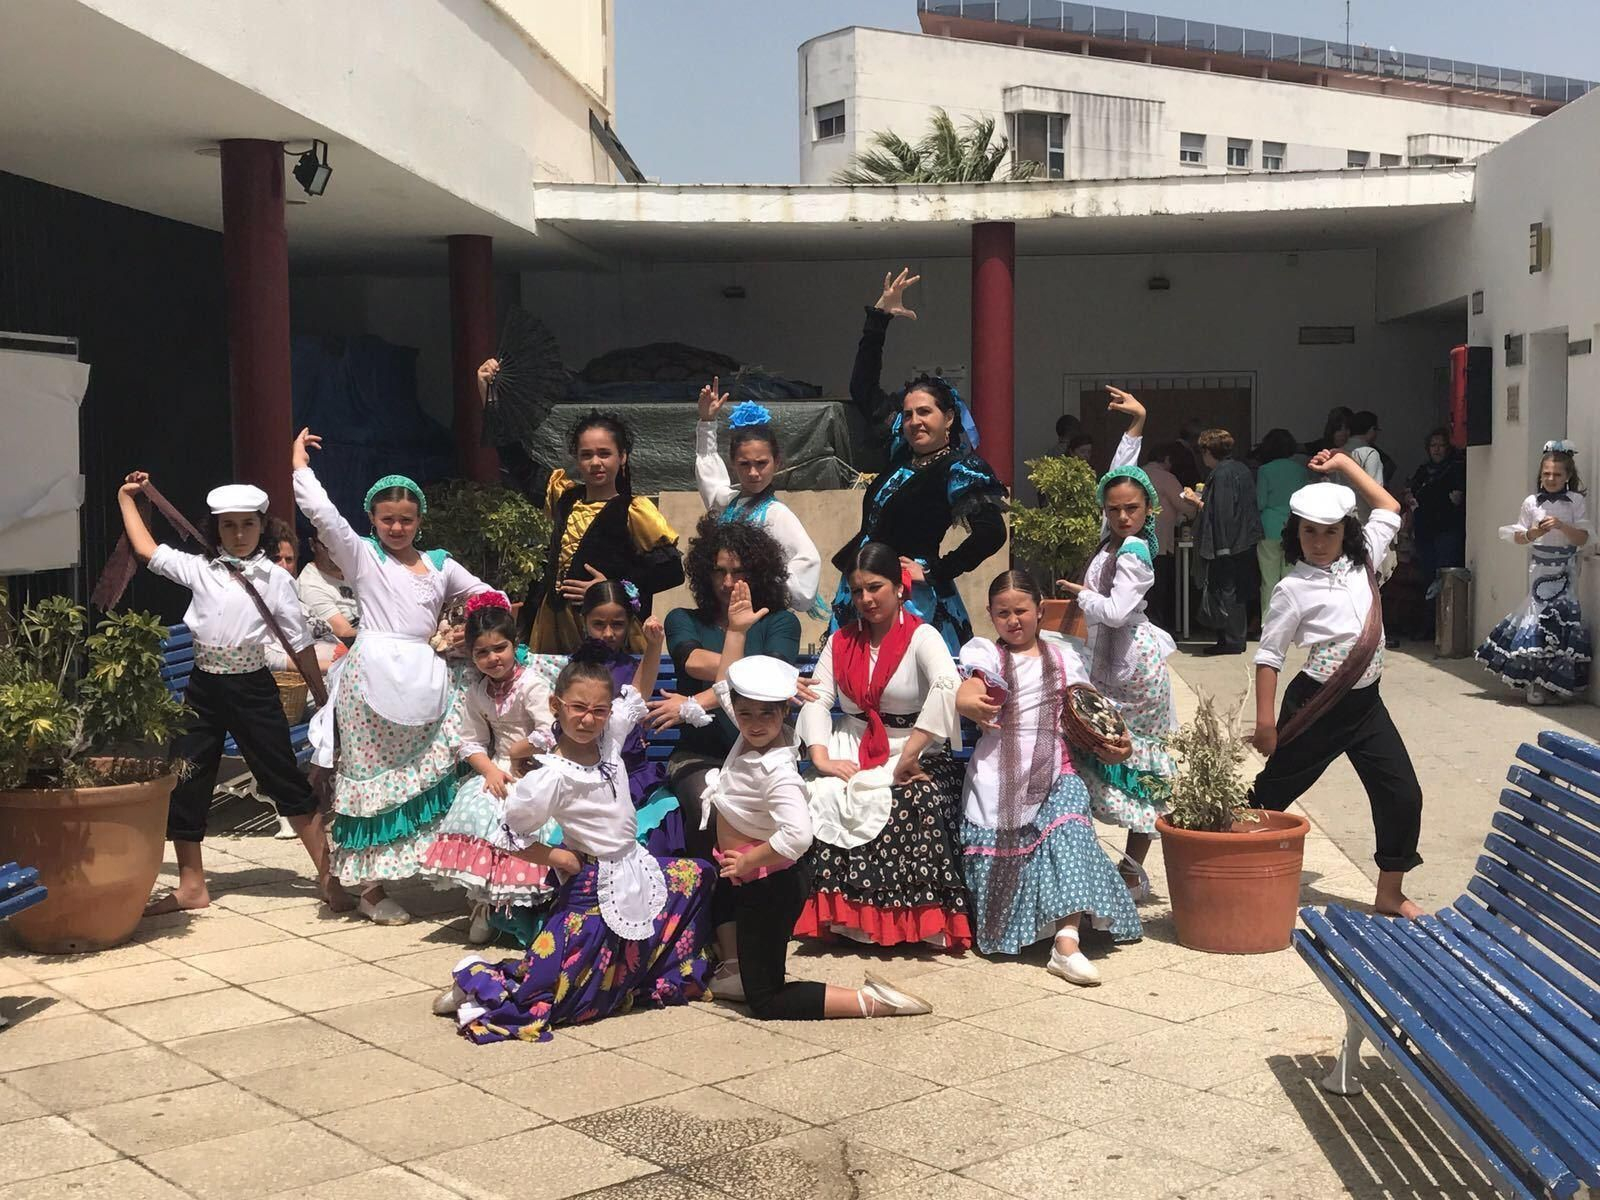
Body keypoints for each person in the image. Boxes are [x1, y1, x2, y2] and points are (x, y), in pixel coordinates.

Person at [434, 646, 715, 1044]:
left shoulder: (610, 740)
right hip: (591, 882)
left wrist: (651, 648)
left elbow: (636, 695)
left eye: (599, 710)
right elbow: (508, 836)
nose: (589, 719)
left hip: (636, 864)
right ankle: (475, 979)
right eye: (578, 708)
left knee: (699, 875)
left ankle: (643, 972)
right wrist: (558, 856)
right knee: (550, 1000)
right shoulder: (548, 777)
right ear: (556, 706)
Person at [115, 473, 344, 916]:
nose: (239, 535)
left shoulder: (275, 580)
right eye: (228, 526)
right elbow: (147, 550)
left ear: (262, 526)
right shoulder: (202, 570)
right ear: (215, 529)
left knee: (283, 778)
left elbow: (298, 642)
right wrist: (127, 498)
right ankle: (191, 885)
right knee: (187, 777)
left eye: (247, 525)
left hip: (253, 690)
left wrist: (322, 695)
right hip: (203, 688)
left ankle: (327, 876)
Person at [701, 586, 932, 1018]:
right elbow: (724, 685)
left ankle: (872, 1002)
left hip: (770, 882)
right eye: (745, 713)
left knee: (766, 1000)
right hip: (758, 878)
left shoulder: (777, 769)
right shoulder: (755, 731)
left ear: (783, 712)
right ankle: (745, 972)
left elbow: (799, 835)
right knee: (760, 976)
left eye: (764, 714)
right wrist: (736, 632)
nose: (751, 723)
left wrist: (750, 863)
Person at [293, 429, 492, 924]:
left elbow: (491, 598)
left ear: (419, 520)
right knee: (365, 780)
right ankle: (371, 889)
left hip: (428, 676)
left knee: (453, 761)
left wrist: (467, 630)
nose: (397, 528)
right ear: (373, 521)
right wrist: (300, 468)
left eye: (405, 519)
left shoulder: (440, 564)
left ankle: (455, 862)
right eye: (388, 520)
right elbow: (323, 515)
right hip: (371, 679)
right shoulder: (362, 556)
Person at [1251, 457, 1424, 919]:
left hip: (1367, 707)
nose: (1320, 542)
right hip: (1315, 705)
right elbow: (1269, 657)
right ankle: (1234, 869)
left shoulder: (1365, 553)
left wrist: (1345, 462)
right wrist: (1265, 722)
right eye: (1309, 532)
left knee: (1402, 794)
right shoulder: (1292, 588)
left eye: (1330, 532)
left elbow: (1387, 504)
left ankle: (1390, 891)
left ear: (1347, 532)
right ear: (1296, 534)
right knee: (1268, 796)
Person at [955, 571, 1142, 982]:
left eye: (1021, 610)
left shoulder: (1063, 656)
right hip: (999, 773)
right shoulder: (986, 653)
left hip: (1058, 767)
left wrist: (1119, 743)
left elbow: (1092, 709)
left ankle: (1066, 943)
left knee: (1071, 828)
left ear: (1040, 611)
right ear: (990, 615)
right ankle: (1036, 932)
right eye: (1002, 613)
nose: (1013, 620)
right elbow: (970, 687)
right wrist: (972, 702)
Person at [796, 541, 969, 951]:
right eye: (857, 591)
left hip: (915, 746)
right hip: (853, 744)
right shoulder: (841, 642)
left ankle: (912, 921)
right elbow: (818, 696)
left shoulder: (921, 635)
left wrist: (911, 752)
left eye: (875, 587)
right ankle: (843, 920)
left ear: (899, 587)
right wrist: (821, 756)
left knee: (916, 797)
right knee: (821, 791)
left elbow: (947, 683)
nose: (866, 599)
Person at [836, 268, 1008, 652]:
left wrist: (935, 570)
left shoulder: (961, 469)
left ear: (948, 418)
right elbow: (862, 388)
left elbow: (992, 532)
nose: (914, 421)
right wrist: (879, 319)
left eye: (925, 412)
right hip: (863, 588)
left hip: (913, 598)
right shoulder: (901, 452)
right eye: (909, 413)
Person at [1054, 392, 1178, 898]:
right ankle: (1105, 864)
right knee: (1093, 749)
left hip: (1136, 666)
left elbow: (1118, 611)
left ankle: (1132, 869)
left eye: (1132, 508)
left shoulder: (1134, 553)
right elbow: (1119, 474)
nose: (1123, 515)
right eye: (1115, 509)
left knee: (1139, 762)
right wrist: (1137, 425)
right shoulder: (1112, 535)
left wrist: (1082, 594)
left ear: (1147, 509)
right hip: (1107, 662)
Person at [477, 360, 684, 654]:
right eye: (586, 454)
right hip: (553, 623)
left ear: (622, 457)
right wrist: (491, 399)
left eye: (604, 453)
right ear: (576, 458)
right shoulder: (564, 496)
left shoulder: (633, 509)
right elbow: (517, 461)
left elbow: (672, 571)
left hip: (607, 628)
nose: (595, 462)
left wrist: (613, 587)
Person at [649, 518, 799, 858]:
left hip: (765, 753)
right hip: (697, 756)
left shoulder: (781, 621)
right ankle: (712, 900)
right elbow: (694, 661)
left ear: (758, 573)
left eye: (739, 571)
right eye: (719, 571)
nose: (728, 582)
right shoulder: (682, 618)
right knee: (712, 807)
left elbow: (767, 681)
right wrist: (753, 663)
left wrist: (692, 703)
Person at [420, 593, 560, 943]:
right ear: (472, 655)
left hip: (536, 770)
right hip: (498, 770)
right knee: (480, 808)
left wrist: (517, 752)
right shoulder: (478, 691)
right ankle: (483, 902)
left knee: (528, 819)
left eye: (499, 648)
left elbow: (550, 731)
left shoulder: (532, 685)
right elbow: (470, 740)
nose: (492, 658)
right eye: (482, 652)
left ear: (514, 646)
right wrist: (490, 771)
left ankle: (528, 907)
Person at [1475, 440, 1592, 704]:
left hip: (1566, 570)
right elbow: (1519, 537)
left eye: (1557, 475)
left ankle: (1556, 683)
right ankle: (1535, 682)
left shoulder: (1575, 501)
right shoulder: (1531, 502)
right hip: (1540, 569)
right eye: (1546, 474)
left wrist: (1562, 526)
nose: (1551, 479)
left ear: (1568, 477)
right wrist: (1534, 533)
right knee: (1538, 621)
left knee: (1563, 621)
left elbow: (1583, 538)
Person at [694, 379, 824, 615]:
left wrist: (765, 580)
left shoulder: (777, 514)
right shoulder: (728, 502)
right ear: (733, 465)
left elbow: (808, 562)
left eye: (761, 463)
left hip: (759, 613)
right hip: (722, 610)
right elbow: (708, 475)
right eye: (745, 464)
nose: (753, 473)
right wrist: (707, 423)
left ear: (777, 462)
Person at [574, 581, 679, 853]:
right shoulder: (576, 671)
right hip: (589, 773)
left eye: (617, 624)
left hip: (634, 771)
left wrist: (654, 645)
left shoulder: (631, 667)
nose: (608, 633)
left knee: (667, 813)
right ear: (584, 620)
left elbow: (637, 697)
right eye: (599, 624)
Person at [1185, 429, 1262, 655]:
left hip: (1227, 544)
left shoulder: (1221, 474)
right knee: (1236, 592)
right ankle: (1232, 638)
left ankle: (1231, 640)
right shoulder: (1240, 469)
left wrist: (1196, 502)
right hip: (1243, 541)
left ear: (1209, 451)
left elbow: (1222, 512)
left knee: (1225, 592)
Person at [1406, 428, 1466, 641]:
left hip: (1447, 531)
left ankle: (1446, 629)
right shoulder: (1423, 471)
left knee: (1445, 579)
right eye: (1433, 445)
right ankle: (1429, 625)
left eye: (1441, 445)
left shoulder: (1456, 469)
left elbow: (1458, 499)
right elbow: (1413, 495)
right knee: (1428, 578)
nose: (1437, 449)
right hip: (1425, 532)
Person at [1141, 441, 1197, 634]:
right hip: (1160, 542)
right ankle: (1159, 628)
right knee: (1159, 588)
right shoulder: (1166, 477)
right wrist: (1194, 498)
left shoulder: (1137, 473)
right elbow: (1186, 507)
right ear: (1166, 460)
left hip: (1136, 540)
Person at [1255, 429, 1309, 618]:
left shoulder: (1265, 470)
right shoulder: (1301, 470)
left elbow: (1260, 502)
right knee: (1291, 578)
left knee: (1268, 580)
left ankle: (1268, 623)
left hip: (1269, 527)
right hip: (1294, 527)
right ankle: (1290, 622)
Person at [298, 532, 361, 645]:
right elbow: (344, 632)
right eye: (328, 546)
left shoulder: (353, 572)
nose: (336, 553)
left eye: (342, 547)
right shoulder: (310, 585)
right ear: (312, 545)